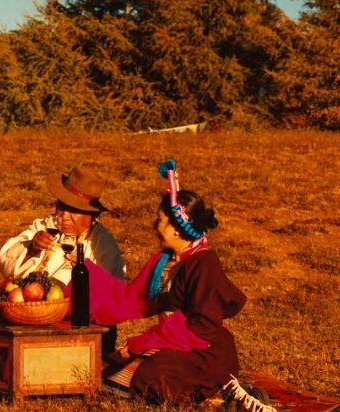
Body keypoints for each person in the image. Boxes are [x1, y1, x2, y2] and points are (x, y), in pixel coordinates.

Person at [82, 160, 267, 409]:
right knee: (108, 368)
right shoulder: (162, 261)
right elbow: (131, 300)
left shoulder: (204, 264)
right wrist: (82, 279)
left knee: (151, 374)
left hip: (204, 352)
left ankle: (220, 393)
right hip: (171, 344)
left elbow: (202, 327)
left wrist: (143, 343)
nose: (154, 226)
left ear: (177, 229)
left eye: (160, 220)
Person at [0, 164, 126, 355]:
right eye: (61, 207)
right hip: (28, 317)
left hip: (77, 329)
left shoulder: (102, 245)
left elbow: (113, 297)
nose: (64, 217)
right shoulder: (46, 226)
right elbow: (6, 262)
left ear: (92, 215)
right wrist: (31, 248)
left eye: (73, 211)